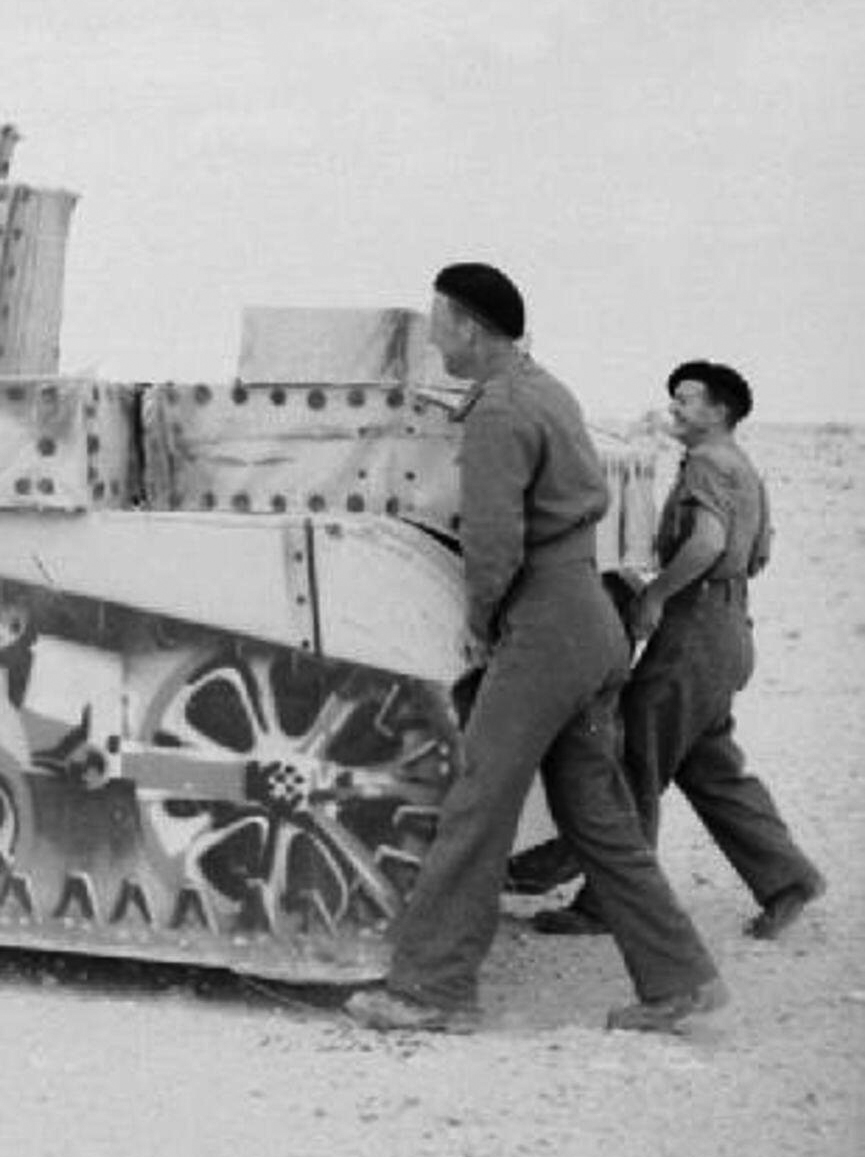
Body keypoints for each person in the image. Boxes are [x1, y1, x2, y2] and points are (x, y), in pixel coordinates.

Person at [345, 265, 727, 1034]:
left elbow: (493, 540)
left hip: (545, 626)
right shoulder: (546, 389)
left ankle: (430, 988)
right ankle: (678, 975)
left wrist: (481, 619)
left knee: (477, 801)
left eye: (439, 323)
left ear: (468, 325)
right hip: (590, 618)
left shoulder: (496, 410)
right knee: (596, 813)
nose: (434, 338)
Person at [534, 360, 822, 942]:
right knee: (710, 766)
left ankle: (609, 903)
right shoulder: (743, 466)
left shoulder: (708, 465)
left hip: (694, 632)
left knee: (635, 760)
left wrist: (657, 596)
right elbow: (757, 552)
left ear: (719, 410)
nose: (674, 408)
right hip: (729, 628)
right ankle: (788, 879)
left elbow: (707, 543)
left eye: (687, 399)